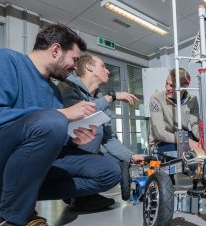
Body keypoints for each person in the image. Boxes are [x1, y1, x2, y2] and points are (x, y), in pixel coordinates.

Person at [0, 24, 123, 226]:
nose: (76, 68)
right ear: (56, 50)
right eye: (74, 60)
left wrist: (75, 137)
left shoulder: (54, 91)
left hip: (20, 168)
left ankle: (15, 195)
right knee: (52, 119)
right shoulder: (0, 60)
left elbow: (46, 136)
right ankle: (11, 222)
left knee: (109, 171)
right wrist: (60, 114)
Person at [57, 54, 145, 208]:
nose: (108, 71)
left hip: (86, 156)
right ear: (89, 67)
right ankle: (76, 194)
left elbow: (109, 139)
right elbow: (79, 118)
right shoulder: (67, 86)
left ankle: (82, 194)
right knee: (94, 131)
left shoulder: (99, 98)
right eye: (103, 66)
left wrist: (131, 156)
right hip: (63, 154)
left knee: (116, 164)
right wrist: (111, 97)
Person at [149, 68, 200, 153]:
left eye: (172, 86)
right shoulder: (156, 98)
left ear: (184, 87)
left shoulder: (192, 100)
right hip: (162, 142)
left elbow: (195, 126)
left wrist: (205, 141)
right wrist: (185, 141)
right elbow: (159, 133)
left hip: (184, 136)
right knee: (185, 147)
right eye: (167, 83)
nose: (167, 88)